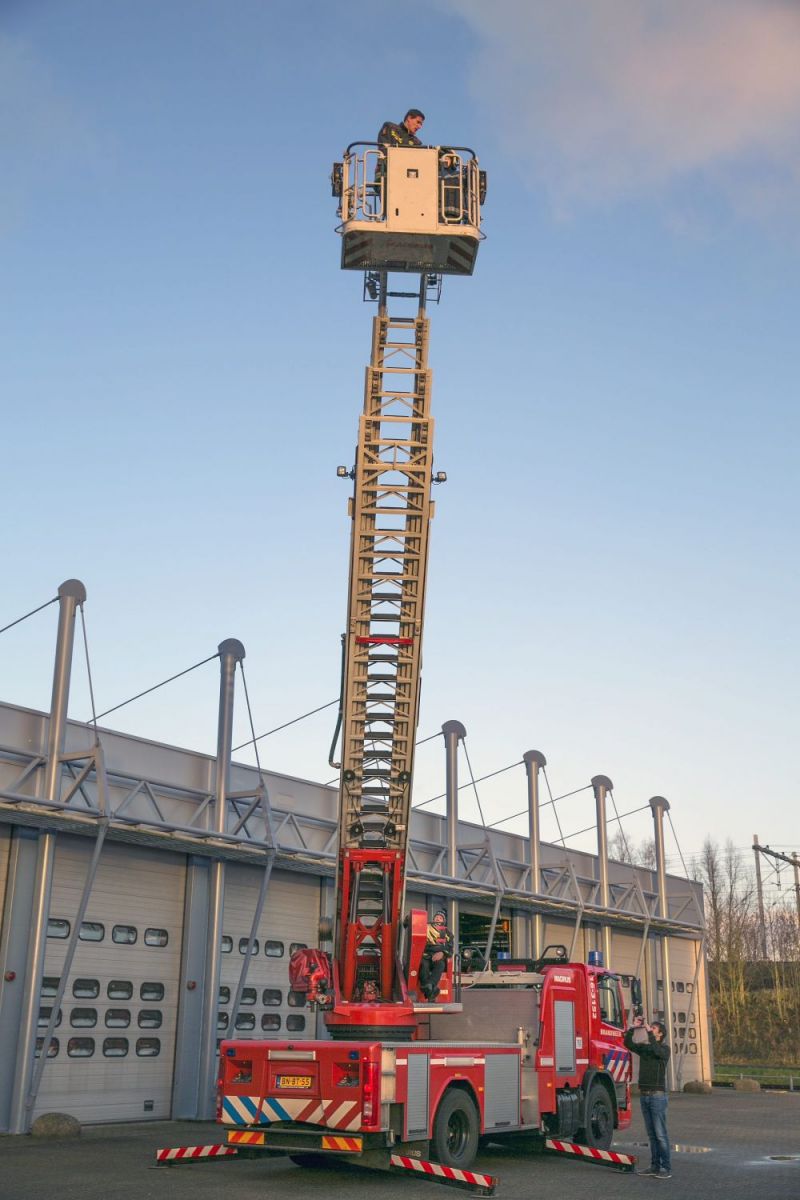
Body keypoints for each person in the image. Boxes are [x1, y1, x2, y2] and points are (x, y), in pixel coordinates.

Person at [624, 1016, 672, 1179]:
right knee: (651, 1135)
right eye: (649, 1028)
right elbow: (628, 1044)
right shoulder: (645, 1049)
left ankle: (666, 1168)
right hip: (645, 1096)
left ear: (659, 1034)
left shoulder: (664, 1049)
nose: (649, 1030)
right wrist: (632, 1028)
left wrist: (649, 1034)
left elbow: (657, 1051)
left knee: (660, 1134)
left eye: (653, 1029)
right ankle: (654, 1166)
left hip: (657, 1096)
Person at [418, 909, 453, 1001]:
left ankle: (429, 986)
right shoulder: (425, 927)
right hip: (425, 954)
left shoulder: (448, 933)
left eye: (440, 918)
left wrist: (442, 953)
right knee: (423, 965)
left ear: (444, 921)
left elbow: (450, 949)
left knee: (441, 965)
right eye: (436, 917)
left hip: (439, 955)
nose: (438, 919)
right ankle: (431, 991)